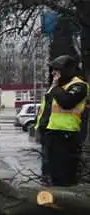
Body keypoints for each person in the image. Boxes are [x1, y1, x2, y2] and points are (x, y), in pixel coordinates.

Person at [37, 55, 89, 186]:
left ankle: (65, 202)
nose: (53, 73)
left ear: (67, 70)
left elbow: (67, 102)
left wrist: (54, 87)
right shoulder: (57, 87)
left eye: (57, 69)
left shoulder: (79, 85)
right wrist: (39, 128)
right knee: (49, 176)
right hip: (51, 135)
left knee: (64, 177)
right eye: (53, 69)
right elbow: (46, 109)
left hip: (66, 135)